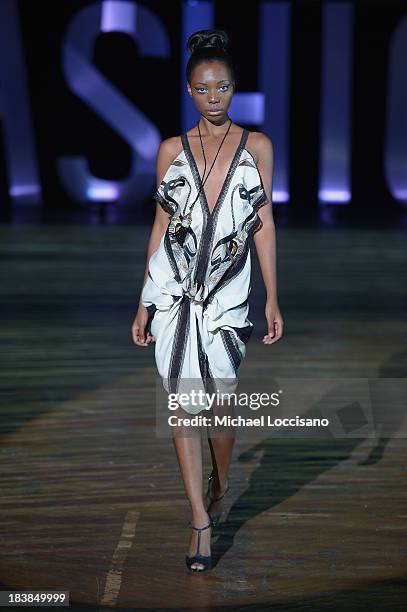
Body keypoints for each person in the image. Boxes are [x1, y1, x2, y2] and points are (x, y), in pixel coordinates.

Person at [131, 28, 284, 572]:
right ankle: (199, 519)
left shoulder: (257, 147)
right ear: (189, 91)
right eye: (202, 89)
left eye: (221, 88)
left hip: (228, 298)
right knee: (181, 405)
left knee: (219, 408)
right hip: (174, 294)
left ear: (234, 88)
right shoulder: (171, 150)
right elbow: (161, 223)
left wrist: (272, 297)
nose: (212, 97)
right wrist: (144, 301)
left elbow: (262, 222)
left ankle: (220, 484)